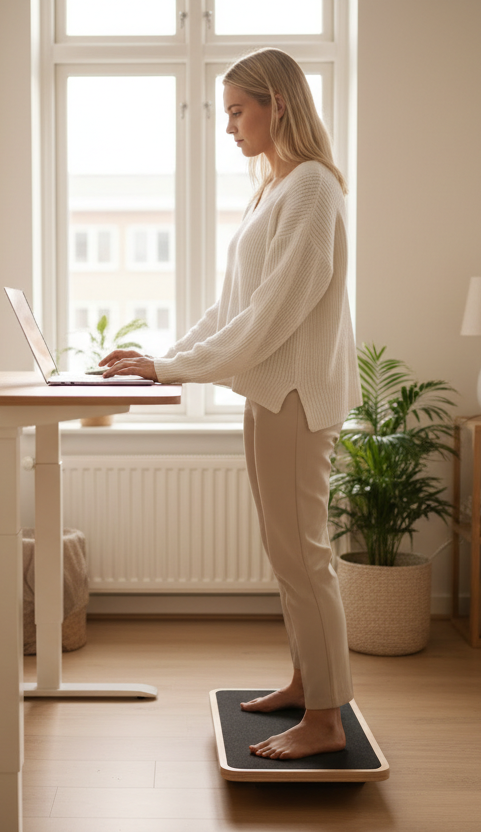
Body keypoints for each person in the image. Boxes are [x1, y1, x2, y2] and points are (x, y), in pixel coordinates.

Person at [100, 47, 361, 760]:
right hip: (270, 394)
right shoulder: (274, 189)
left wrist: (172, 366)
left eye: (237, 111)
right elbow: (230, 308)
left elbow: (271, 315)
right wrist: (161, 360)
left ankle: (327, 719)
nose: (229, 128)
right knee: (288, 555)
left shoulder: (311, 187)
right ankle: (308, 685)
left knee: (305, 557)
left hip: (296, 401)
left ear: (278, 104)